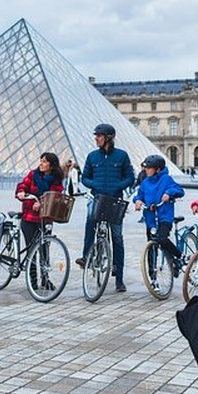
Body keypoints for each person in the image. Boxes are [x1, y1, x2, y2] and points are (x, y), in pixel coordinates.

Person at [77, 123, 135, 292]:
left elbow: (130, 177)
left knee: (117, 237)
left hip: (115, 200)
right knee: (90, 222)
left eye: (99, 135)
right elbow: (84, 178)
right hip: (98, 198)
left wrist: (118, 185)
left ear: (108, 137)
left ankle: (119, 278)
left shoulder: (122, 155)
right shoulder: (92, 156)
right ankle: (86, 256)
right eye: (96, 135)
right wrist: (94, 183)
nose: (96, 138)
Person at [15, 153, 64, 289]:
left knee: (45, 249)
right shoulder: (33, 175)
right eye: (41, 161)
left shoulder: (56, 181)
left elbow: (56, 197)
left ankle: (45, 279)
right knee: (32, 250)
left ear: (51, 165)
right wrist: (21, 192)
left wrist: (42, 204)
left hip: (45, 218)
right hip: (29, 218)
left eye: (44, 161)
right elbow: (22, 186)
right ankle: (32, 281)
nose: (41, 164)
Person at [132, 155, 185, 277]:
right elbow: (139, 195)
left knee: (162, 239)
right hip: (150, 218)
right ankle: (152, 277)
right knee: (151, 246)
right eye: (145, 167)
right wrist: (137, 200)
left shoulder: (166, 179)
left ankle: (179, 255)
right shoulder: (145, 182)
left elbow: (180, 190)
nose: (146, 170)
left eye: (149, 168)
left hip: (164, 217)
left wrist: (169, 193)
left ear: (157, 169)